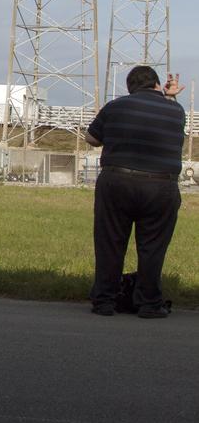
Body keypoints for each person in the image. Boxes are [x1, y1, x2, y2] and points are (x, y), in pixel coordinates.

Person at [84, 65, 185, 318]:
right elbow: (167, 117)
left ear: (130, 88)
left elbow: (91, 139)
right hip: (161, 186)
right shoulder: (176, 110)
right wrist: (170, 96)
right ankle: (149, 304)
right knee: (152, 247)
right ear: (156, 85)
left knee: (110, 243)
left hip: (117, 181)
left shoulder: (116, 106)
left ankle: (105, 301)